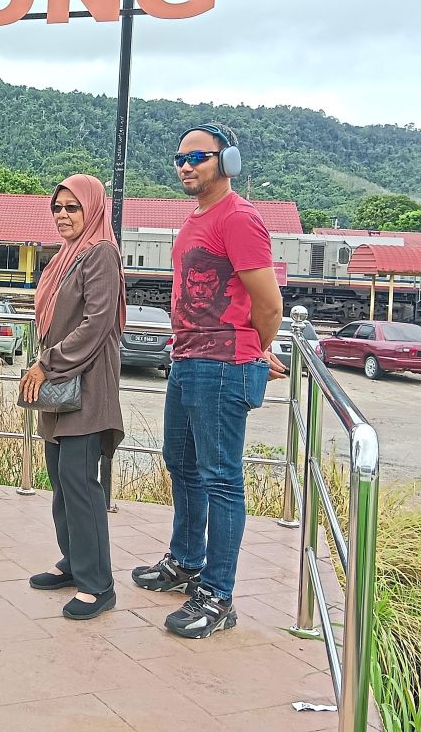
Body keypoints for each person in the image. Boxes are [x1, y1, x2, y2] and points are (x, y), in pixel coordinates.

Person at [131, 123, 284, 639]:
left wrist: (254, 348)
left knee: (220, 477)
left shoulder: (239, 219)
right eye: (180, 158)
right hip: (187, 360)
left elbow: (269, 303)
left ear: (228, 161)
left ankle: (218, 595)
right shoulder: (195, 219)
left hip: (222, 367)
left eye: (198, 155)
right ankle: (186, 562)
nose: (186, 165)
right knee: (183, 465)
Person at [19, 176, 126, 620]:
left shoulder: (100, 252)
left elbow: (97, 324)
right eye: (57, 208)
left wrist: (47, 363)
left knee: (81, 484)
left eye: (73, 208)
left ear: (94, 211)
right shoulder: (68, 256)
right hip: (62, 384)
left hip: (86, 383)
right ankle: (74, 562)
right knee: (62, 481)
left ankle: (97, 584)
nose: (63, 215)